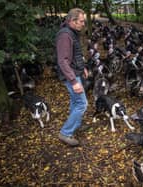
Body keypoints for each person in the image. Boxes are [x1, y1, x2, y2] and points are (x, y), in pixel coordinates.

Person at [56, 8, 88, 146]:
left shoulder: (72, 33)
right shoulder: (65, 36)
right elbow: (63, 61)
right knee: (82, 104)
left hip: (75, 72)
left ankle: (75, 125)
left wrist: (82, 68)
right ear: (72, 21)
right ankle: (65, 133)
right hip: (71, 76)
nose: (83, 24)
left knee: (76, 102)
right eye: (81, 21)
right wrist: (74, 81)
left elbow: (74, 55)